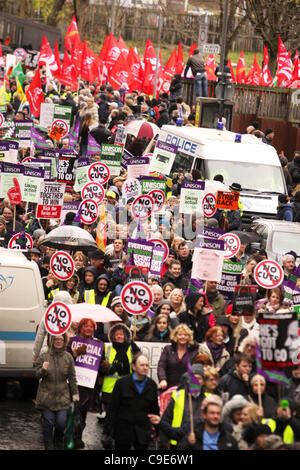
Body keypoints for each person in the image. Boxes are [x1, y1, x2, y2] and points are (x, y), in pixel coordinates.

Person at [106, 353, 160, 450]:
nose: (145, 368)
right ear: (134, 367)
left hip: (142, 433)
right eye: (142, 365)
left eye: (147, 365)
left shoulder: (152, 385)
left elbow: (155, 410)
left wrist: (158, 431)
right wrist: (109, 432)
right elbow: (113, 408)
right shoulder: (121, 383)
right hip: (123, 432)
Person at [35, 333, 79, 450]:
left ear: (64, 341)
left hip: (62, 397)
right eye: (56, 339)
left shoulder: (68, 357)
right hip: (46, 397)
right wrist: (42, 369)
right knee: (48, 424)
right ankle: (48, 445)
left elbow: (72, 377)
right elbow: (36, 374)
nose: (58, 341)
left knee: (60, 423)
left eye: (61, 339)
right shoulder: (44, 356)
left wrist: (75, 393)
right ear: (51, 341)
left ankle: (58, 440)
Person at [100, 322, 140, 448]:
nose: (119, 337)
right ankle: (107, 436)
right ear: (112, 336)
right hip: (109, 388)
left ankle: (121, 438)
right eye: (116, 335)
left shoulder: (132, 347)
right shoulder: (107, 348)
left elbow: (139, 366)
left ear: (126, 335)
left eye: (121, 334)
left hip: (127, 388)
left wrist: (128, 367)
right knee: (110, 415)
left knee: (123, 415)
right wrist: (111, 368)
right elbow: (100, 367)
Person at [68, 318, 105, 449]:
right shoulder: (72, 342)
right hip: (74, 384)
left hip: (89, 386)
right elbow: (66, 360)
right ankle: (69, 437)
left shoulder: (99, 344)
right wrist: (76, 352)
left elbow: (101, 363)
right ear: (80, 328)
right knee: (73, 413)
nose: (88, 329)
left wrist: (104, 366)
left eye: (91, 326)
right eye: (85, 326)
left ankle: (78, 437)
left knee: (83, 414)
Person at [157, 363, 206, 449]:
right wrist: (163, 444)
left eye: (199, 379)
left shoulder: (208, 399)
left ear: (204, 381)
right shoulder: (177, 396)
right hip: (177, 444)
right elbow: (166, 420)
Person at [157, 324, 199, 391]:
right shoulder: (168, 349)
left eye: (185, 335)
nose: (183, 337)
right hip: (168, 386)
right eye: (180, 334)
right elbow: (161, 366)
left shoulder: (194, 352)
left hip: (187, 388)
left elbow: (196, 370)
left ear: (189, 337)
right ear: (175, 336)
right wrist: (163, 379)